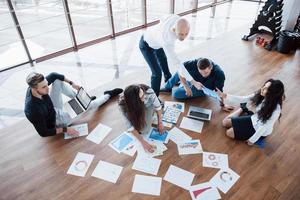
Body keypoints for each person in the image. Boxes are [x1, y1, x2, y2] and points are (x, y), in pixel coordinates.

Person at [24, 72, 123, 137]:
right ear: (34, 89)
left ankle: (81, 98)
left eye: (46, 84)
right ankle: (108, 95)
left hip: (51, 107)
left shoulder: (39, 86)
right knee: (89, 106)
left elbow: (54, 75)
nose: (48, 88)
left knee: (58, 81)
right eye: (44, 87)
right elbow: (43, 132)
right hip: (56, 120)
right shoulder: (32, 110)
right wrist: (65, 129)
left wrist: (72, 83)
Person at [139, 14, 203, 98]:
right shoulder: (167, 40)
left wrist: (157, 34)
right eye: (180, 34)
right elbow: (178, 64)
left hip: (158, 42)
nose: (183, 37)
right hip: (146, 45)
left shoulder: (176, 18)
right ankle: (154, 99)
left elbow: (163, 18)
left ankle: (168, 86)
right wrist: (193, 82)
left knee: (164, 62)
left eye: (186, 34)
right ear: (174, 29)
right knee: (157, 73)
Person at [217, 79, 285, 145]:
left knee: (229, 133)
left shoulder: (275, 111)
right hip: (254, 119)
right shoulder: (261, 94)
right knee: (225, 122)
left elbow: (263, 127)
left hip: (259, 130)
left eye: (266, 88)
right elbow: (243, 98)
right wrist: (224, 95)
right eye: (264, 86)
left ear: (272, 93)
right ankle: (242, 108)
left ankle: (244, 109)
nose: (262, 88)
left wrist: (252, 140)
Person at [160, 58, 233, 111]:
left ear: (211, 68)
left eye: (206, 73)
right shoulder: (195, 62)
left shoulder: (219, 73)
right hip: (194, 80)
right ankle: (168, 87)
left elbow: (219, 92)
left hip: (202, 88)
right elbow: (180, 69)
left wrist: (223, 105)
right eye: (201, 72)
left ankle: (182, 83)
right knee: (180, 72)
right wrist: (186, 86)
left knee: (176, 94)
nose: (203, 75)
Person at [119, 84, 164, 153]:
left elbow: (158, 107)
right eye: (141, 97)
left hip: (148, 106)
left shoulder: (148, 91)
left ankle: (152, 113)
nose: (144, 97)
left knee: (145, 131)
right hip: (134, 109)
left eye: (143, 94)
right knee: (137, 128)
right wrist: (142, 142)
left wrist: (160, 122)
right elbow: (129, 127)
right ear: (134, 101)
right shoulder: (122, 104)